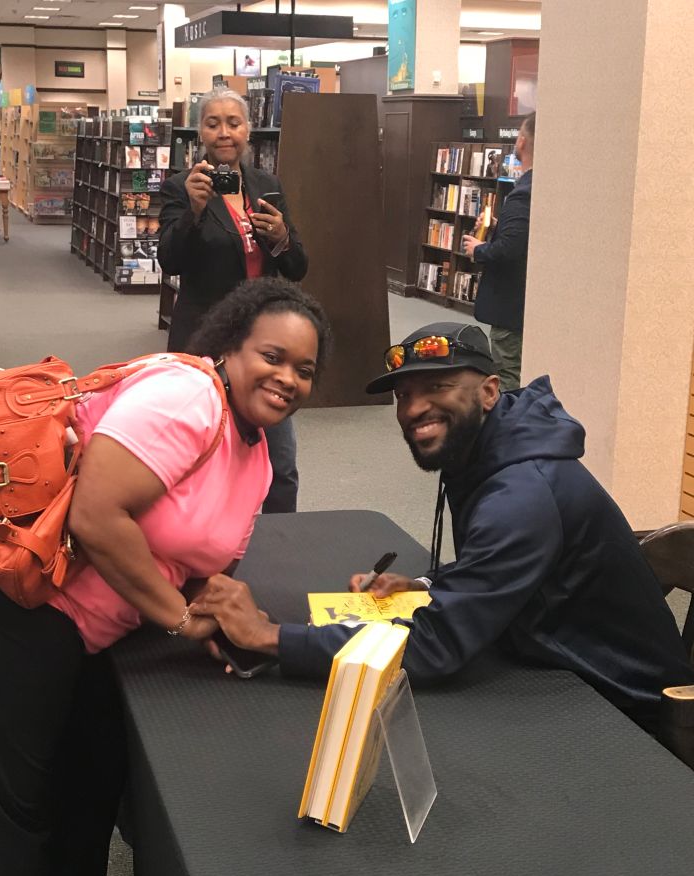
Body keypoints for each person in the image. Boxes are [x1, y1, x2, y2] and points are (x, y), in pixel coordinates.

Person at [0, 277, 331, 876]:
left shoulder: (260, 456)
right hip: (3, 595)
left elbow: (206, 563)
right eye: (272, 356)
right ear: (231, 347)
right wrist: (179, 620)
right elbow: (95, 515)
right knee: (9, 817)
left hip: (85, 627)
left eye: (304, 370)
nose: (287, 378)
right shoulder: (189, 397)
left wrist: (232, 616)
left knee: (86, 788)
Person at [189, 321, 691, 736]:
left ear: (490, 391)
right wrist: (428, 586)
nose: (412, 409)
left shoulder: (522, 495)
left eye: (437, 387)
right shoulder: (489, 447)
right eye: (404, 395)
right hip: (546, 655)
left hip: (626, 711)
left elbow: (435, 647)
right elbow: (501, 567)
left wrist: (272, 637)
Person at [158, 87, 308, 514]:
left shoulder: (267, 185)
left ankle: (280, 543)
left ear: (249, 131)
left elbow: (297, 266)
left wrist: (280, 238)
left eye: (234, 123)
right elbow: (170, 259)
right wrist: (194, 211)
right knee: (204, 459)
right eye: (213, 123)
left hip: (266, 343)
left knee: (281, 465)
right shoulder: (178, 187)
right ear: (200, 133)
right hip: (207, 343)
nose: (224, 132)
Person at [462, 114, 535, 391]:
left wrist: (479, 249)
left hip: (510, 305)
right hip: (523, 303)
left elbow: (510, 250)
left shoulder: (523, 193)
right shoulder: (544, 187)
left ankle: (509, 430)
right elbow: (528, 239)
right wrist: (496, 226)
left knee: (507, 374)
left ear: (521, 141)